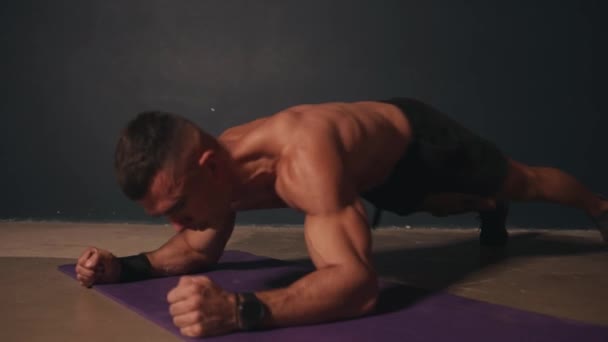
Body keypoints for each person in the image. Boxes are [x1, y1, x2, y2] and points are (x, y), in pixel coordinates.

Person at [75, 98, 608, 337]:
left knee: (521, 180)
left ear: (210, 169)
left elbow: (358, 285)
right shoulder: (216, 181)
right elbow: (195, 249)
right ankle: (487, 210)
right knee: (446, 203)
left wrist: (239, 310)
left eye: (177, 210)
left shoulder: (302, 160)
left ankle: (597, 206)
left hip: (418, 145)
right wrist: (120, 267)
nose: (177, 224)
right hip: (370, 178)